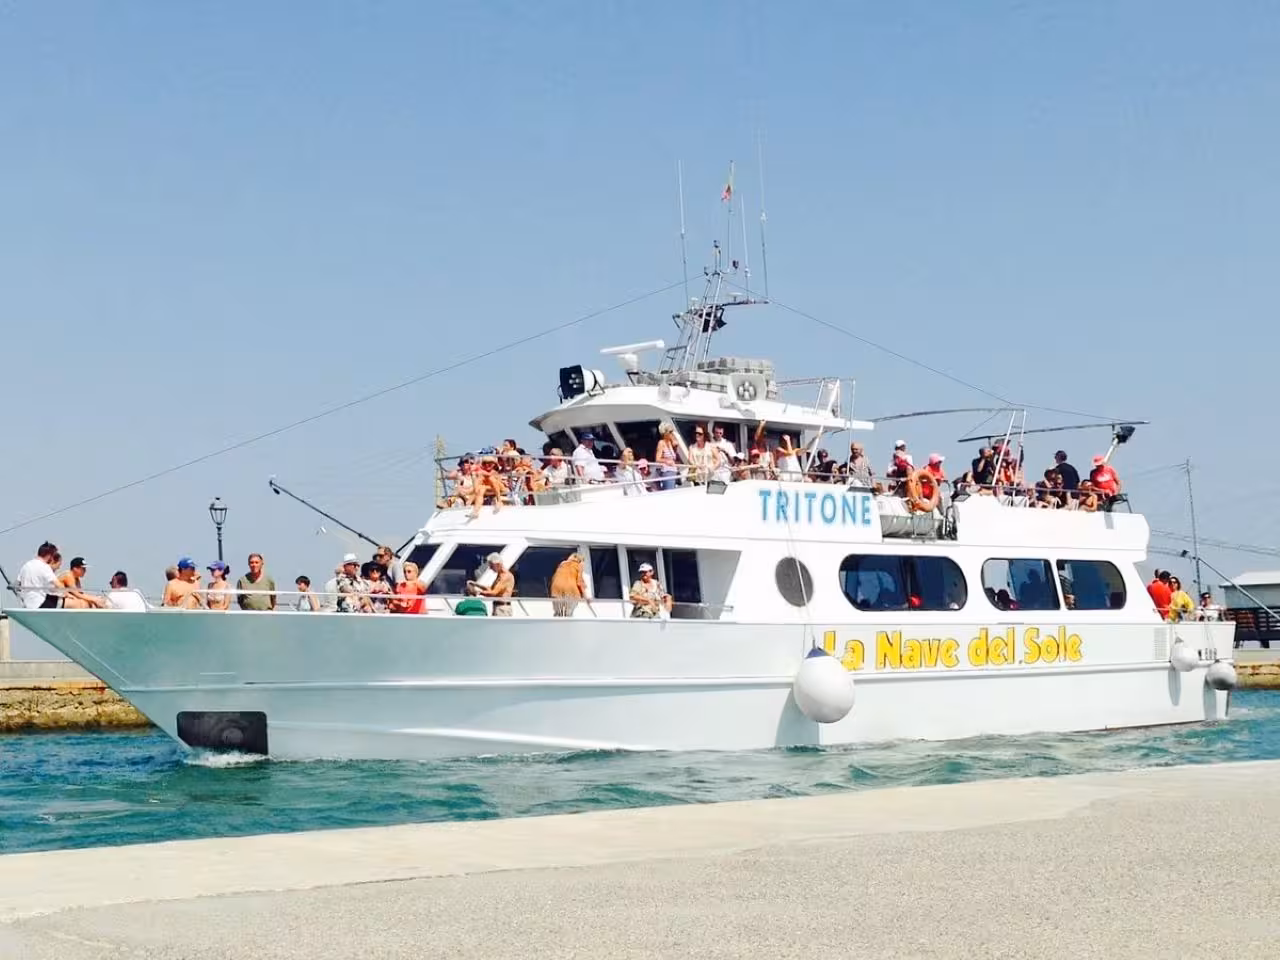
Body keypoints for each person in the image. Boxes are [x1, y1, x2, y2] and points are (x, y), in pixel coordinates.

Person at [17, 542, 61, 610]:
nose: (52, 559)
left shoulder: (26, 565)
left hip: (27, 604)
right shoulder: (44, 567)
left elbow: (18, 584)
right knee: (69, 601)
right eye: (53, 556)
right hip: (40, 604)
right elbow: (58, 585)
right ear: (49, 555)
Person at [550, 552, 588, 617]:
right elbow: (579, 582)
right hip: (571, 590)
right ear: (580, 560)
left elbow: (554, 578)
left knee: (558, 613)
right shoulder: (579, 565)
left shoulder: (562, 564)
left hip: (556, 589)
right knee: (568, 614)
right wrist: (586, 597)